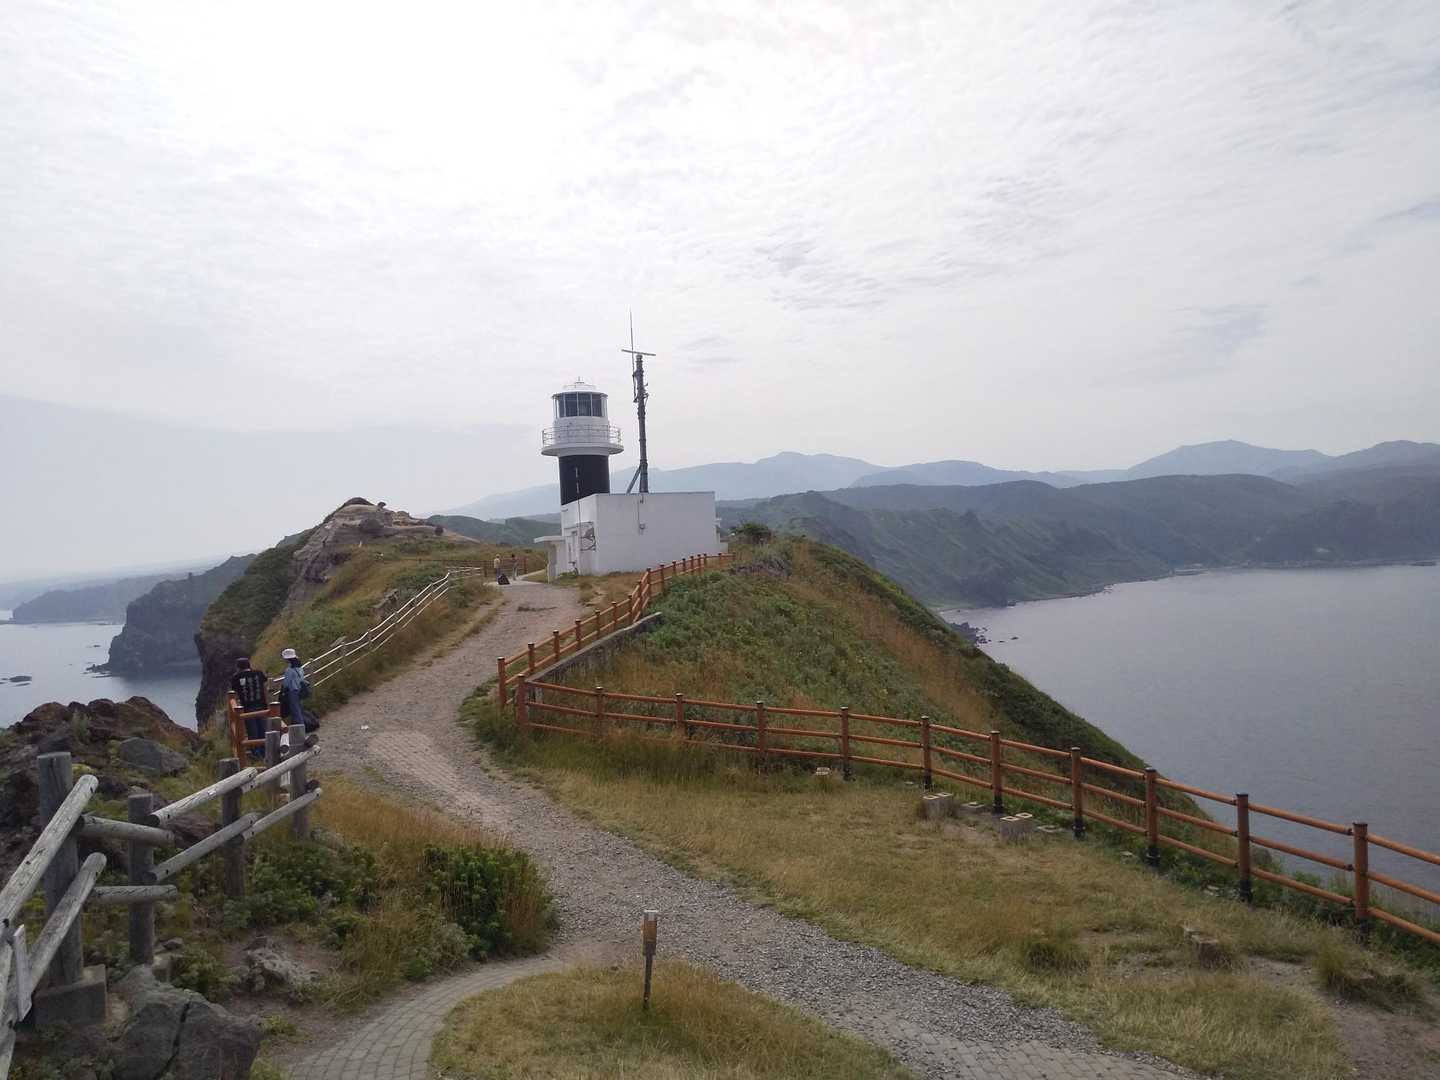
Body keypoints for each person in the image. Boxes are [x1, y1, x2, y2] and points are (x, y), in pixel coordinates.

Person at [230, 657, 270, 756]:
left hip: (247, 708)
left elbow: (235, 694)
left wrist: (237, 705)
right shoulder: (259, 673)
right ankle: (265, 751)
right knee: (263, 729)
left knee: (252, 731)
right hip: (262, 706)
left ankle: (256, 753)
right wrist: (267, 703)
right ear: (249, 665)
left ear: (238, 667)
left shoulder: (236, 677)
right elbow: (264, 688)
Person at [279, 648, 317, 732]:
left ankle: (301, 729)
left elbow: (286, 683)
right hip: (299, 690)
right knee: (299, 709)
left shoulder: (289, 670)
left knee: (295, 711)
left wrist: (282, 691)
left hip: (293, 691)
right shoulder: (299, 667)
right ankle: (302, 727)